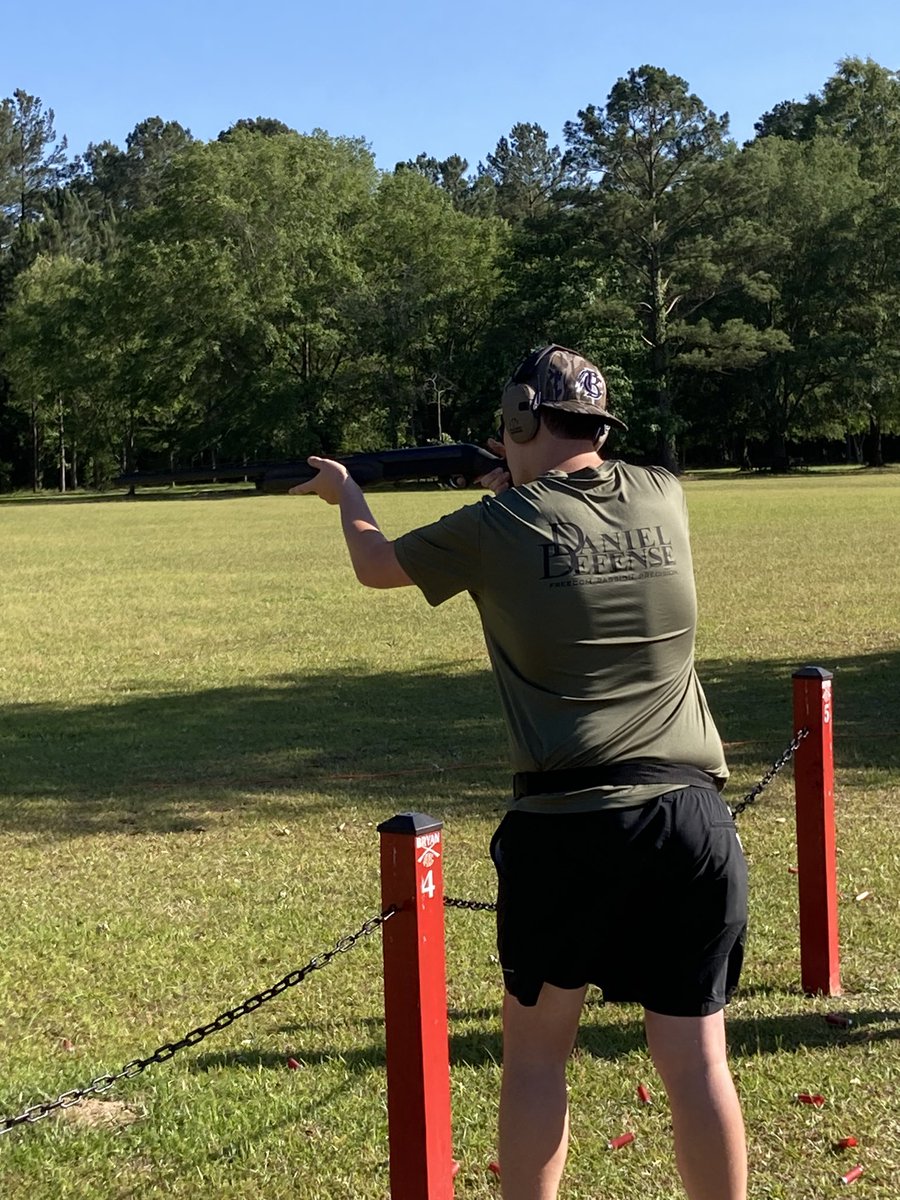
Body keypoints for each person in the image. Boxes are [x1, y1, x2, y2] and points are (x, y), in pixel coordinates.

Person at [292, 344, 748, 1200]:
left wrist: (345, 493)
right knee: (698, 1066)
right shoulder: (663, 493)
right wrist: (517, 489)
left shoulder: (497, 527)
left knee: (538, 1060)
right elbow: (582, 524)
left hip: (567, 826)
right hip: (693, 819)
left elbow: (376, 565)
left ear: (520, 420)